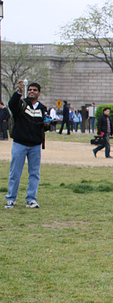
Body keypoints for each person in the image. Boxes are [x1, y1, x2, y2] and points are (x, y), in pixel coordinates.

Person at [4, 80, 48, 209]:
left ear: (39, 93)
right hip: (20, 144)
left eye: (34, 90)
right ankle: (11, 198)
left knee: (34, 173)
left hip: (35, 145)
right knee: (15, 173)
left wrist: (47, 124)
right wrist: (18, 91)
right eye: (29, 90)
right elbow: (12, 105)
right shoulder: (21, 104)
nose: (31, 92)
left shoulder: (43, 109)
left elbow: (44, 126)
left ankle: (31, 199)